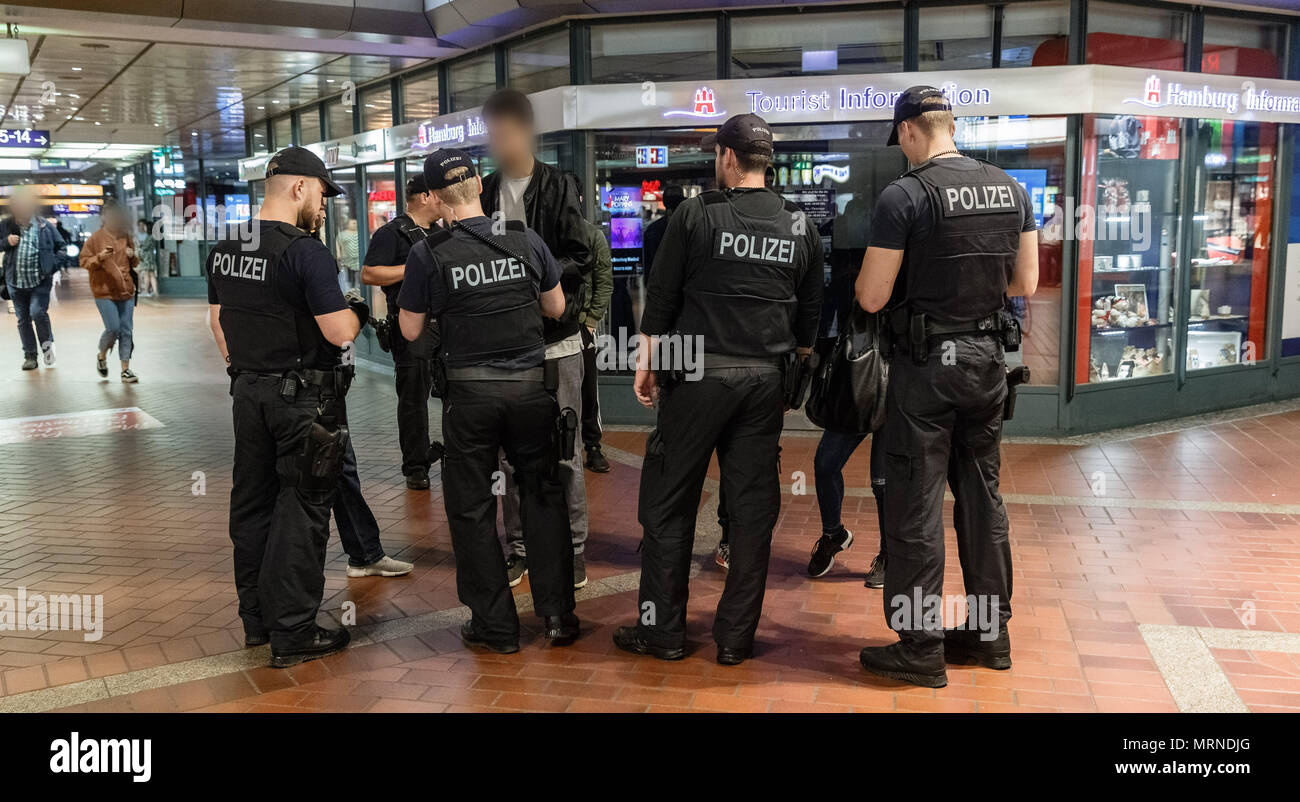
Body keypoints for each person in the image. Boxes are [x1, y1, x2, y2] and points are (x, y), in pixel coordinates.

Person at [614, 113, 822, 666]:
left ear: (729, 158)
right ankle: (734, 639)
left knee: (668, 502)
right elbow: (811, 310)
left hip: (696, 377)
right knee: (752, 511)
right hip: (763, 382)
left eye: (716, 155)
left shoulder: (696, 214)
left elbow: (661, 297)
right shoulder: (798, 223)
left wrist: (647, 360)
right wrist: (795, 369)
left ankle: (662, 632)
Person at [854, 86, 1039, 688]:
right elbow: (1027, 283)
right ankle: (991, 636)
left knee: (916, 503)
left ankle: (921, 646)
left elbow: (872, 296)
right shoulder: (1011, 188)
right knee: (983, 500)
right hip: (987, 363)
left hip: (927, 369)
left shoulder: (904, 195)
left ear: (910, 131)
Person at [397, 148, 577, 653]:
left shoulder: (427, 253)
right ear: (479, 183)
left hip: (469, 399)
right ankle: (559, 616)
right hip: (529, 393)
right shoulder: (523, 238)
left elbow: (410, 329)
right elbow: (556, 306)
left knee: (472, 509)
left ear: (433, 196)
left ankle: (496, 626)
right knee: (543, 496)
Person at [206, 146, 367, 668]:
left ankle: (257, 621)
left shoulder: (226, 246)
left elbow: (218, 324)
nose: (323, 206)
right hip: (301, 403)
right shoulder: (304, 251)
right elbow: (339, 331)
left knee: (252, 506)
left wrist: (253, 368)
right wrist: (358, 312)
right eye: (321, 194)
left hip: (247, 396)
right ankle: (294, 631)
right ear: (299, 188)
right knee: (302, 510)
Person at [478, 88, 593, 590]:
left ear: (525, 131)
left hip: (555, 341)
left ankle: (575, 548)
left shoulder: (558, 185)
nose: (497, 142)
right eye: (492, 133)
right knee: (508, 457)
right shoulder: (483, 191)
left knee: (564, 447)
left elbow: (581, 256)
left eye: (504, 132)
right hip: (503, 346)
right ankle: (520, 547)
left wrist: (534, 278)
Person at [361, 174, 443, 490]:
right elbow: (369, 273)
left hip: (442, 324)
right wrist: (414, 268)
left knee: (452, 389)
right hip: (410, 325)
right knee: (413, 399)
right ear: (423, 197)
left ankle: (453, 454)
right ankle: (416, 467)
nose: (443, 201)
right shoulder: (392, 233)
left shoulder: (440, 232)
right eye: (438, 195)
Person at [568, 174, 614, 474]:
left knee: (588, 390)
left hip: (581, 327)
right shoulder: (544, 234)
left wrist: (590, 321)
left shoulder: (591, 235)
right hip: (553, 328)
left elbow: (604, 282)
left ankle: (593, 445)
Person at [1, 187, 62, 370]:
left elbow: (62, 247)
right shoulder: (6, 226)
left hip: (40, 281)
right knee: (23, 319)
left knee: (38, 313)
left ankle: (47, 348)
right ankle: (30, 356)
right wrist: (6, 242)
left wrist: (52, 266)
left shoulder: (44, 226)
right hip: (15, 282)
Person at [81, 200, 139, 383]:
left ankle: (125, 369)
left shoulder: (125, 236)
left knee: (126, 329)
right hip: (104, 291)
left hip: (126, 290)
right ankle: (102, 355)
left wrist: (133, 255)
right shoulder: (95, 239)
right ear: (104, 217)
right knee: (113, 328)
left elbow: (134, 263)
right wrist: (99, 257)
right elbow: (84, 262)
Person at [640, 183, 684, 288]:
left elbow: (647, 261)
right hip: (684, 285)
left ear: (664, 203)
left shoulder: (652, 229)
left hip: (659, 284)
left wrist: (648, 283)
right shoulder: (690, 226)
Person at [135, 219, 159, 297]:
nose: (143, 228)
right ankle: (155, 292)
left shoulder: (150, 237)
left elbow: (144, 247)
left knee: (148, 274)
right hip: (149, 258)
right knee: (151, 274)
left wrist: (139, 245)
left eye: (144, 226)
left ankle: (146, 291)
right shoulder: (152, 237)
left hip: (147, 258)